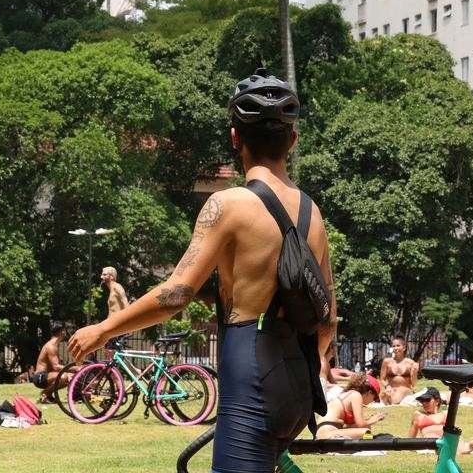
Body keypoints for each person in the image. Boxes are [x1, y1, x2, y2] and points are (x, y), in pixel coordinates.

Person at [68, 69, 336, 473]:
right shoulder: (312, 212)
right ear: (292, 141)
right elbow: (328, 317)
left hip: (250, 371)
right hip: (296, 381)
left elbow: (178, 292)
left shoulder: (228, 205)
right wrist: (296, 369)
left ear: (234, 139)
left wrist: (103, 330)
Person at [409, 387, 473, 454]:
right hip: (432, 440)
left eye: (427, 400)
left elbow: (454, 430)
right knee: (433, 438)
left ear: (437, 401)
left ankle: (466, 447)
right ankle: (456, 449)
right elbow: (410, 439)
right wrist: (412, 447)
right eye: (422, 401)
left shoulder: (446, 413)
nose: (424, 403)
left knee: (453, 437)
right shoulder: (418, 415)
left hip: (447, 437)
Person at [315, 373, 386, 439]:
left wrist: (367, 422)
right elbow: (360, 424)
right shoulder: (356, 395)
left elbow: (353, 425)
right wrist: (372, 420)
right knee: (366, 432)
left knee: (366, 430)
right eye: (374, 398)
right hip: (326, 433)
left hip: (325, 431)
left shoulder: (351, 394)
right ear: (369, 392)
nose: (373, 401)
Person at [29, 323, 68, 402]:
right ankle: (45, 393)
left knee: (70, 376)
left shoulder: (54, 345)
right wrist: (74, 368)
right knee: (64, 377)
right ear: (62, 332)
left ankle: (49, 396)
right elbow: (56, 367)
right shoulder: (51, 346)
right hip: (40, 377)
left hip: (47, 375)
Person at [378, 335, 418, 405]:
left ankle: (393, 401)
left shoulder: (410, 363)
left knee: (397, 395)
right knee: (384, 396)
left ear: (404, 348)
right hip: (391, 388)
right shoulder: (387, 361)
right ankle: (391, 400)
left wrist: (414, 373)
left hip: (405, 389)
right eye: (394, 346)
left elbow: (413, 384)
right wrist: (387, 386)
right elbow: (382, 379)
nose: (396, 348)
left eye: (398, 345)